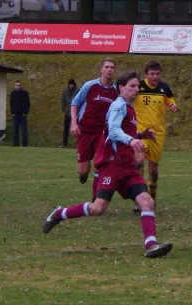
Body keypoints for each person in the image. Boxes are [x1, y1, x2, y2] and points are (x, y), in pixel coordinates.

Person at [42, 71, 173, 258]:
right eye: (133, 86)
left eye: (137, 86)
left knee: (147, 202)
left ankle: (151, 245)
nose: (137, 89)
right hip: (112, 165)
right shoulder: (118, 105)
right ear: (121, 88)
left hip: (126, 167)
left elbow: (121, 132)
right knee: (98, 208)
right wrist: (131, 141)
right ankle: (59, 213)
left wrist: (139, 136)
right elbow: (113, 131)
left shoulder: (128, 107)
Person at [130, 60, 178, 213]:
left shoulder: (164, 88)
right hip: (141, 131)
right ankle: (139, 200)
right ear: (145, 74)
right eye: (152, 74)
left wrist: (172, 105)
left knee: (154, 171)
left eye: (157, 74)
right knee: (138, 162)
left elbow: (171, 101)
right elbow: (127, 97)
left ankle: (152, 198)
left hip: (158, 134)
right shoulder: (139, 87)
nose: (155, 77)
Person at [70, 58, 118, 201]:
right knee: (83, 170)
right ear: (101, 69)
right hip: (84, 132)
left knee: (100, 165)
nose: (110, 70)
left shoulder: (116, 92)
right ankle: (83, 175)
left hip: (102, 134)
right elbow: (75, 103)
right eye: (107, 67)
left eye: (112, 67)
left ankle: (95, 197)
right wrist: (74, 123)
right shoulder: (90, 86)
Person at [10, 80, 30, 147]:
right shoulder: (12, 93)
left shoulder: (25, 93)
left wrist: (25, 112)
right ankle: (16, 144)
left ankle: (25, 144)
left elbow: (28, 103)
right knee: (15, 130)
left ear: (21, 86)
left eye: (19, 85)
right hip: (15, 115)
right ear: (14, 86)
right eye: (16, 85)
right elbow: (11, 103)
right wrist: (12, 112)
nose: (17, 87)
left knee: (24, 130)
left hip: (23, 115)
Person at [59, 79, 79, 148]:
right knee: (66, 128)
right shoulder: (65, 91)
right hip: (67, 112)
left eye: (72, 84)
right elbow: (63, 100)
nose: (71, 86)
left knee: (77, 128)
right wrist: (64, 109)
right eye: (70, 84)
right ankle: (64, 142)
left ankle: (78, 142)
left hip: (76, 112)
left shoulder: (77, 91)